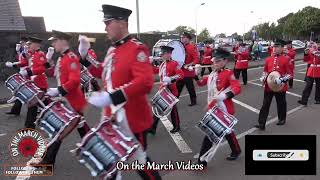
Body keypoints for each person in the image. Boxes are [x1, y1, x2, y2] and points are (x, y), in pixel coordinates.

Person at [83, 4, 162, 179]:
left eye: (108, 22)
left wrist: (112, 97)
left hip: (131, 119)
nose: (105, 27)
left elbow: (145, 82)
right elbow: (102, 71)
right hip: (111, 118)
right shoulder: (113, 49)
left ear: (122, 22)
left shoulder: (137, 48)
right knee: (109, 164)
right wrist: (84, 59)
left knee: (141, 163)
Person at [34, 30, 90, 172]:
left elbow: (75, 80)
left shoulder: (71, 57)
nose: (52, 43)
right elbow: (54, 73)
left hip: (73, 102)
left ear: (63, 41)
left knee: (59, 131)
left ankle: (47, 162)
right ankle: (96, 153)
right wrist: (47, 62)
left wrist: (59, 90)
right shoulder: (62, 58)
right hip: (68, 100)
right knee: (84, 131)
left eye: (55, 41)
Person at [195, 48, 242, 167]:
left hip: (224, 109)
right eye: (214, 61)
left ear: (225, 61)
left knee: (210, 134)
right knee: (227, 131)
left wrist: (225, 95)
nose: (214, 63)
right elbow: (200, 83)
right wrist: (196, 74)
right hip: (214, 109)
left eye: (217, 61)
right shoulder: (212, 74)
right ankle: (236, 150)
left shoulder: (228, 73)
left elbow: (237, 87)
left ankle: (201, 162)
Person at [255, 39, 292, 130]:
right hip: (269, 86)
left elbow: (290, 74)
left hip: (280, 86)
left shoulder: (286, 59)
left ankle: (282, 119)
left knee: (281, 103)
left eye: (277, 47)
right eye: (274, 46)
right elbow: (265, 71)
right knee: (265, 104)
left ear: (282, 48)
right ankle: (261, 123)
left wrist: (282, 80)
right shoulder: (268, 59)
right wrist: (263, 77)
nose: (274, 48)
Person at [150, 45, 184, 134]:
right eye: (162, 53)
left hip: (171, 90)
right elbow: (155, 71)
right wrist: (149, 63)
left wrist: (171, 79)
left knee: (173, 109)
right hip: (163, 90)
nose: (162, 55)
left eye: (163, 53)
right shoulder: (162, 64)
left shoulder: (174, 63)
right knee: (158, 108)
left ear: (169, 54)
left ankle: (177, 126)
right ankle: (153, 128)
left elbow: (181, 75)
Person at [5, 36, 29, 116]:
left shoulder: (27, 51)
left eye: (22, 42)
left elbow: (25, 62)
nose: (21, 43)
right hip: (23, 71)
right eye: (21, 42)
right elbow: (21, 60)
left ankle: (41, 108)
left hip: (27, 73)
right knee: (20, 91)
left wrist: (13, 65)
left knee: (22, 91)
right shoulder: (23, 51)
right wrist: (18, 52)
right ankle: (15, 110)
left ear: (26, 42)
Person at [177, 32, 200, 106]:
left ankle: (193, 101)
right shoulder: (180, 47)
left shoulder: (191, 47)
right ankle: (174, 101)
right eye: (181, 37)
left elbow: (196, 59)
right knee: (178, 88)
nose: (182, 39)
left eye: (184, 37)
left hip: (188, 73)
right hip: (180, 72)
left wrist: (189, 64)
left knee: (190, 88)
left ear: (188, 39)